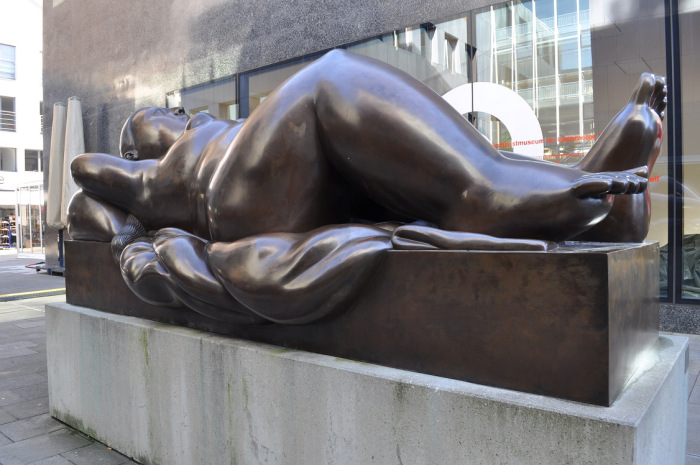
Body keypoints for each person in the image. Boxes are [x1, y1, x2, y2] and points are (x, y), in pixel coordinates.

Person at [67, 49, 665, 324]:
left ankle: (593, 207)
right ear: (143, 147)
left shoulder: (231, 133)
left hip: (285, 186)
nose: (176, 117)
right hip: (235, 203)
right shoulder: (161, 171)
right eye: (158, 120)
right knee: (330, 79)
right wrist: (138, 163)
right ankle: (490, 194)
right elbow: (86, 172)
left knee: (362, 140)